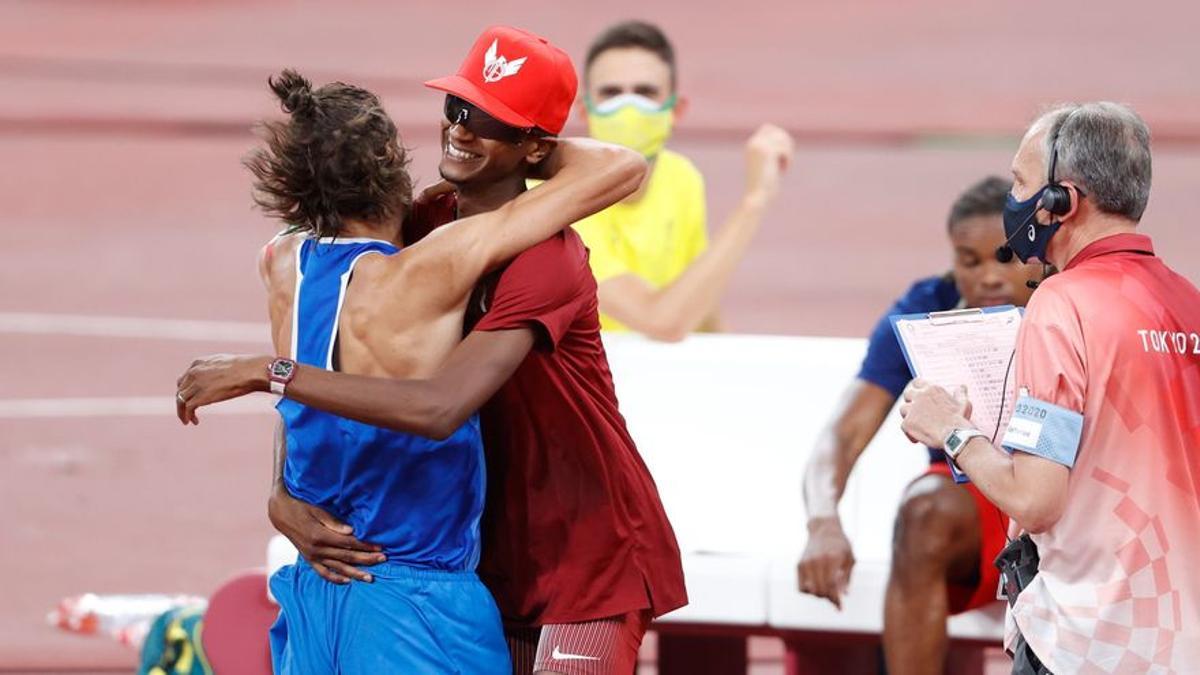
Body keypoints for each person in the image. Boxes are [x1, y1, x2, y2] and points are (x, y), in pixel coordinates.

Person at [176, 26, 694, 675]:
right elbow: (322, 354)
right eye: (458, 107)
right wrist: (281, 490)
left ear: (536, 145)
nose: (462, 130)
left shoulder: (545, 260)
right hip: (485, 551)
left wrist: (270, 374)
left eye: (491, 121)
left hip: (583, 557)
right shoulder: (420, 229)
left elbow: (439, 404)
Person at [900, 102, 1200, 673]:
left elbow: (1035, 499)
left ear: (1060, 200)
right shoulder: (1189, 303)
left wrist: (954, 431)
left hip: (1091, 641)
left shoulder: (1063, 304)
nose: (1013, 198)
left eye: (1019, 181)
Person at [796, 176, 1042, 673]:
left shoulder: (1067, 303)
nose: (988, 277)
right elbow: (842, 435)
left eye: (1004, 257)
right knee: (922, 511)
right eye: (968, 262)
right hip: (973, 504)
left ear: (1034, 253)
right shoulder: (921, 310)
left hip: (1057, 491)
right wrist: (823, 522)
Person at [575, 20, 794, 340]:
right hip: (576, 383)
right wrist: (755, 200)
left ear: (675, 110)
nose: (629, 107)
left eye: (645, 93)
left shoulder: (682, 178)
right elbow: (661, 321)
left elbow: (698, 302)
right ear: (585, 111)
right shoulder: (559, 201)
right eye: (611, 93)